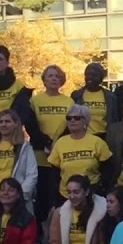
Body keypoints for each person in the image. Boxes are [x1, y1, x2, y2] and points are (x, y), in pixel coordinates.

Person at [29, 66, 73, 227]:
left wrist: (57, 144)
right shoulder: (35, 101)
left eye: (57, 76)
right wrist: (45, 142)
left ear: (62, 80)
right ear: (44, 79)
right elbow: (31, 126)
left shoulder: (69, 101)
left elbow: (71, 126)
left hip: (61, 156)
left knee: (57, 193)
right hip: (40, 155)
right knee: (42, 194)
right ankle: (41, 230)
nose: (54, 79)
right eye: (50, 76)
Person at [47, 104, 117, 199]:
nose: (72, 120)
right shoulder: (60, 143)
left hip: (92, 194)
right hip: (66, 195)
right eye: (69, 118)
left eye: (77, 118)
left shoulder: (97, 142)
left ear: (86, 121)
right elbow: (54, 175)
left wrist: (101, 189)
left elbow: (108, 170)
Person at [71, 62, 122, 142]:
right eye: (88, 74)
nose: (90, 77)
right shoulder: (77, 96)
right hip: (83, 138)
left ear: (101, 78)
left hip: (105, 138)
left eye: (94, 75)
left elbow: (115, 119)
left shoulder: (111, 97)